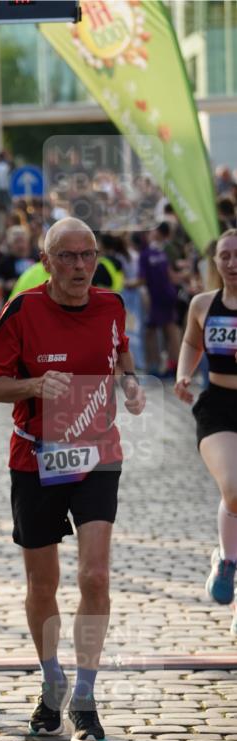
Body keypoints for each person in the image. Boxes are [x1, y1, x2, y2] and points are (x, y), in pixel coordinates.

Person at [0, 218, 146, 741]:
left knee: (95, 576)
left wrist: (129, 382)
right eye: (68, 256)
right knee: (42, 584)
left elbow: (121, 351)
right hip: (36, 459)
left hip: (98, 454)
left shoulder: (111, 305)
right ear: (46, 261)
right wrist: (34, 384)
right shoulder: (23, 310)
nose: (80, 266)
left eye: (88, 255)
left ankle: (86, 698)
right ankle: (52, 680)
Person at [174, 228, 237, 634]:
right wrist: (184, 374)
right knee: (234, 487)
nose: (232, 263)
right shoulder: (202, 304)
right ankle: (227, 559)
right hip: (218, 407)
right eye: (225, 255)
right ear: (215, 262)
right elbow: (190, 343)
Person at [138, 223, 182, 378]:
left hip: (157, 297)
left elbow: (142, 279)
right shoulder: (160, 252)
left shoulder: (146, 255)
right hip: (167, 295)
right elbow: (171, 275)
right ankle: (173, 366)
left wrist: (127, 284)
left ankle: (156, 366)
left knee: (155, 332)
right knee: (170, 330)